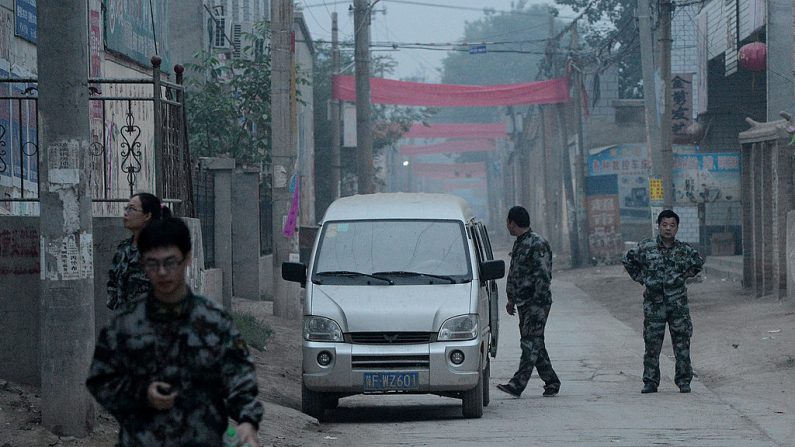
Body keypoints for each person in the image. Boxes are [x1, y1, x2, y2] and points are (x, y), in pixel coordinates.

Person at [87, 217, 263, 446]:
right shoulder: (125, 324)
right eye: (153, 263)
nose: (162, 272)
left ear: (187, 259)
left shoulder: (214, 321)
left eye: (170, 263)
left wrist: (247, 421)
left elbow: (240, 375)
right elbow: (101, 380)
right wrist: (142, 393)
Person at [622, 209, 704, 394]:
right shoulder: (646, 247)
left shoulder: (684, 250)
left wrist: (683, 276)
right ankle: (650, 381)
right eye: (664, 225)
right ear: (658, 226)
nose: (668, 229)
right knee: (652, 344)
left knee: (682, 343)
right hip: (654, 304)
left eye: (672, 225)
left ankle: (684, 381)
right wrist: (642, 277)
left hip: (677, 305)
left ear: (677, 228)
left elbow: (698, 263)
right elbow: (628, 260)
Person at [496, 206, 561, 398]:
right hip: (523, 302)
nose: (507, 226)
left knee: (529, 343)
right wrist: (511, 300)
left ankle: (518, 383)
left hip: (536, 303)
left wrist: (537, 304)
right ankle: (552, 381)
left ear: (512, 222)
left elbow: (543, 276)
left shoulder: (537, 243)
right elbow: (516, 273)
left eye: (507, 223)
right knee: (535, 343)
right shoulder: (520, 243)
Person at [106, 192, 171, 311]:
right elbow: (112, 283)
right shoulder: (123, 248)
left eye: (132, 209)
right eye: (126, 208)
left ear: (147, 216)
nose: (126, 213)